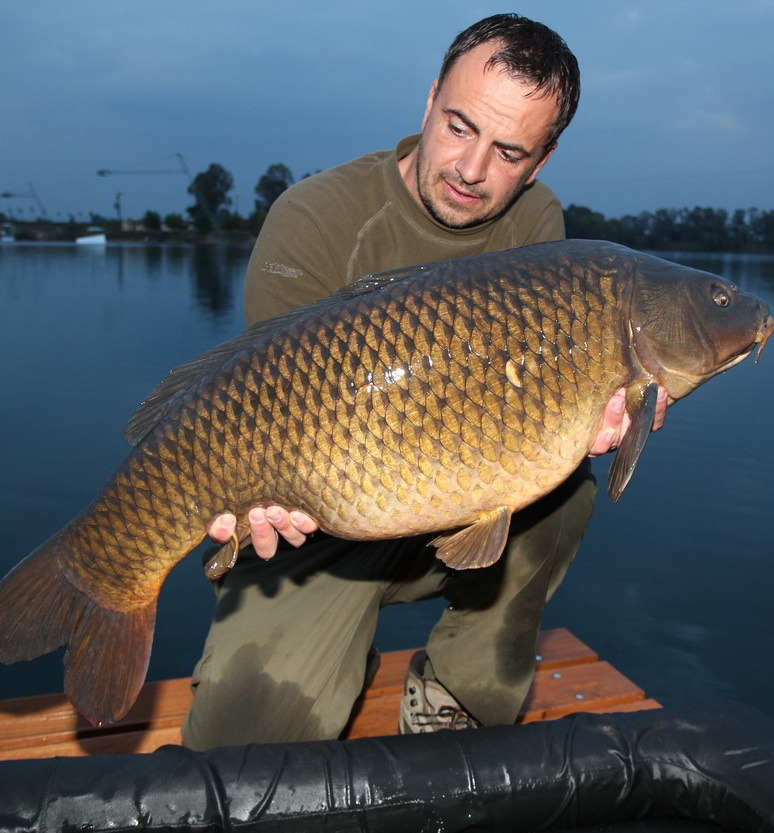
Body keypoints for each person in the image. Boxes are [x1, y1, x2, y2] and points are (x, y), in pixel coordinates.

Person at [181, 13, 667, 751]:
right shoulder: (316, 218)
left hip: (454, 502)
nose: (472, 169)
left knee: (564, 493)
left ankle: (461, 687)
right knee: (248, 761)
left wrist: (597, 416)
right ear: (430, 99)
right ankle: (330, 645)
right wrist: (253, 498)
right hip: (314, 527)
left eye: (508, 151)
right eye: (459, 126)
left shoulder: (538, 224)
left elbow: (533, 405)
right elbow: (254, 402)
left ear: (541, 160)